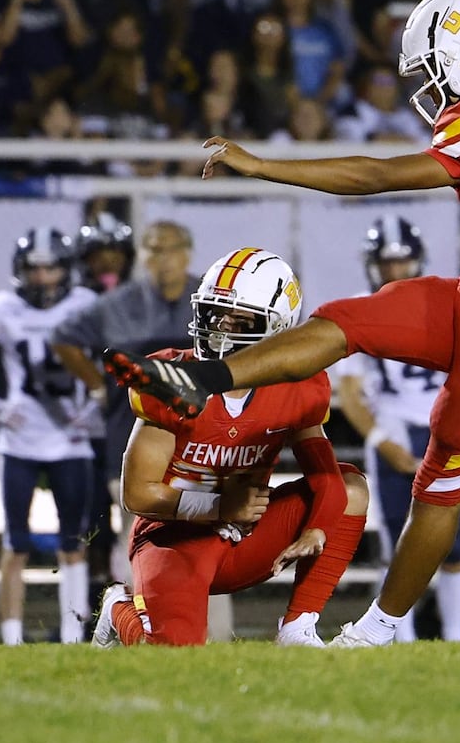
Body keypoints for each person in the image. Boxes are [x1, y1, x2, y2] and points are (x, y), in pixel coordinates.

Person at [105, 0, 460, 647]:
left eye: (432, 69)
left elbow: (375, 176)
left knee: (438, 485)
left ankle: (381, 629)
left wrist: (262, 166)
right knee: (345, 321)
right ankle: (210, 379)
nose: (431, 88)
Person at [93, 247, 370, 647]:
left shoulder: (297, 385)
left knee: (352, 488)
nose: (222, 328)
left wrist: (317, 530)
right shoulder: (175, 380)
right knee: (174, 656)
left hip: (246, 535)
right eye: (215, 313)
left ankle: (297, 628)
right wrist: (219, 507)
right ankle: (120, 607)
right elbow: (137, 494)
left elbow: (326, 477)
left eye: (241, 320)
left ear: (278, 329)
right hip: (174, 537)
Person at [0, 228, 96, 645]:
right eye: (35, 268)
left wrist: (96, 406)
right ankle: (11, 640)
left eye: (51, 267)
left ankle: (72, 636)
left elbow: (115, 365)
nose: (44, 277)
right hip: (21, 440)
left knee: (74, 543)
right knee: (16, 542)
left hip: (70, 439)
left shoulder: (85, 306)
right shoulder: (4, 309)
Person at [331, 217, 460, 642]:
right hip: (392, 429)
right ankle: (399, 635)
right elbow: (350, 392)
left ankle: (457, 636)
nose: (394, 271)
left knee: (453, 543)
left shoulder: (446, 299)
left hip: (442, 427)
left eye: (402, 261)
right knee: (396, 540)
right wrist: (380, 441)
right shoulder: (360, 304)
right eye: (386, 263)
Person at [50, 221, 201, 586]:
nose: (161, 258)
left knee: (205, 536)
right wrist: (98, 385)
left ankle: (210, 632)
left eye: (168, 248)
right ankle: (143, 624)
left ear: (186, 252)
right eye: (152, 248)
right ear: (142, 257)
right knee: (141, 533)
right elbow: (64, 338)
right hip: (133, 436)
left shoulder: (208, 297)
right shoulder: (116, 304)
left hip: (201, 439)